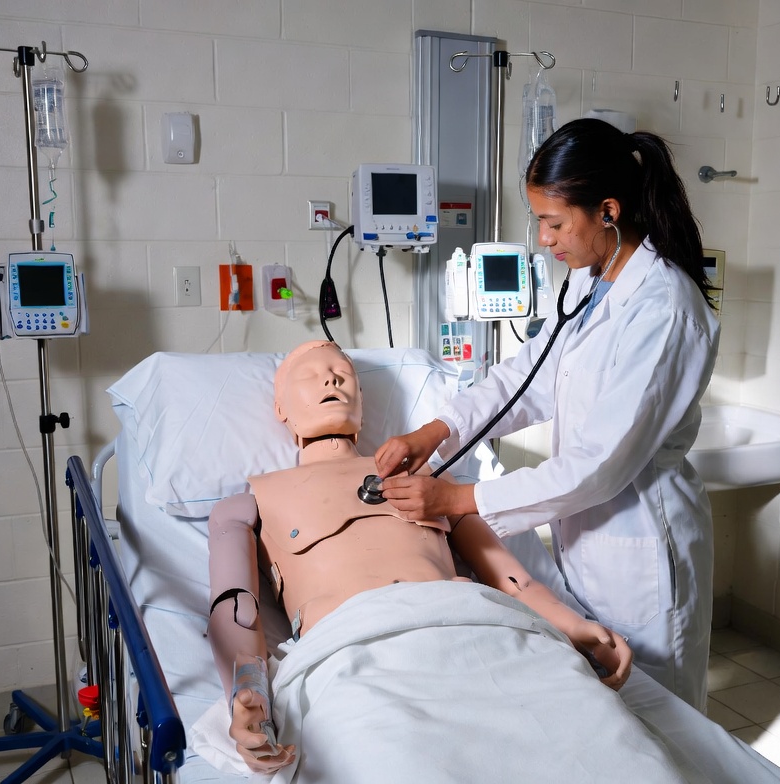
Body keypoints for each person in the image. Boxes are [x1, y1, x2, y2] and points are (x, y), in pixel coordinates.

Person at [375, 117, 721, 711]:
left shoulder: (663, 308)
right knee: (601, 716)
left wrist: (455, 500)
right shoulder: (592, 284)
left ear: (607, 210)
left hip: (640, 550)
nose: (542, 239)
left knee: (660, 724)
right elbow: (525, 380)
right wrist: (435, 432)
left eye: (553, 222)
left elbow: (600, 465)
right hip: (584, 542)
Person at [205, 340, 645, 776]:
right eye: (310, 373)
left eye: (345, 374)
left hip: (481, 631)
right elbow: (235, 612)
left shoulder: (432, 481)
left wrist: (571, 625)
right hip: (352, 655)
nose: (331, 377)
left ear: (361, 401)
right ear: (280, 408)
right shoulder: (250, 501)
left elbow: (515, 582)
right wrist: (248, 693)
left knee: (601, 749)